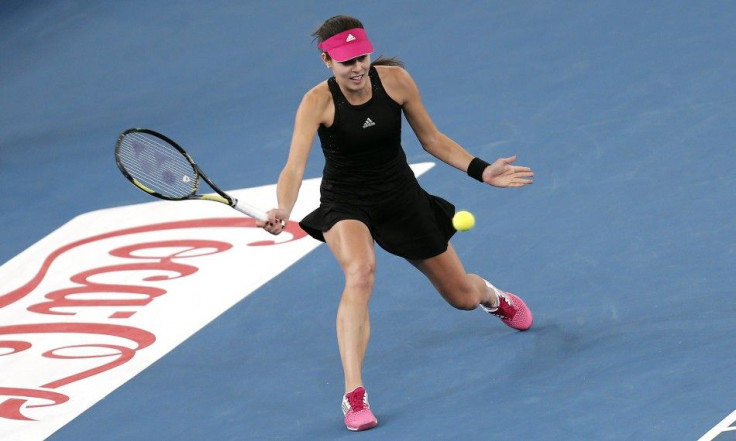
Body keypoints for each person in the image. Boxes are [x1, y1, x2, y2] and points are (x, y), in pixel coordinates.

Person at [256, 15, 534, 432]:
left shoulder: (396, 81)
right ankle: (354, 394)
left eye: (361, 57)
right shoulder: (317, 101)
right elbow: (294, 167)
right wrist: (283, 206)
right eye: (346, 60)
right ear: (326, 60)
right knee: (360, 272)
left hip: (401, 199)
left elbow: (432, 139)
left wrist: (480, 171)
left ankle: (491, 296)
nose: (357, 68)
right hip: (346, 201)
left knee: (460, 296)